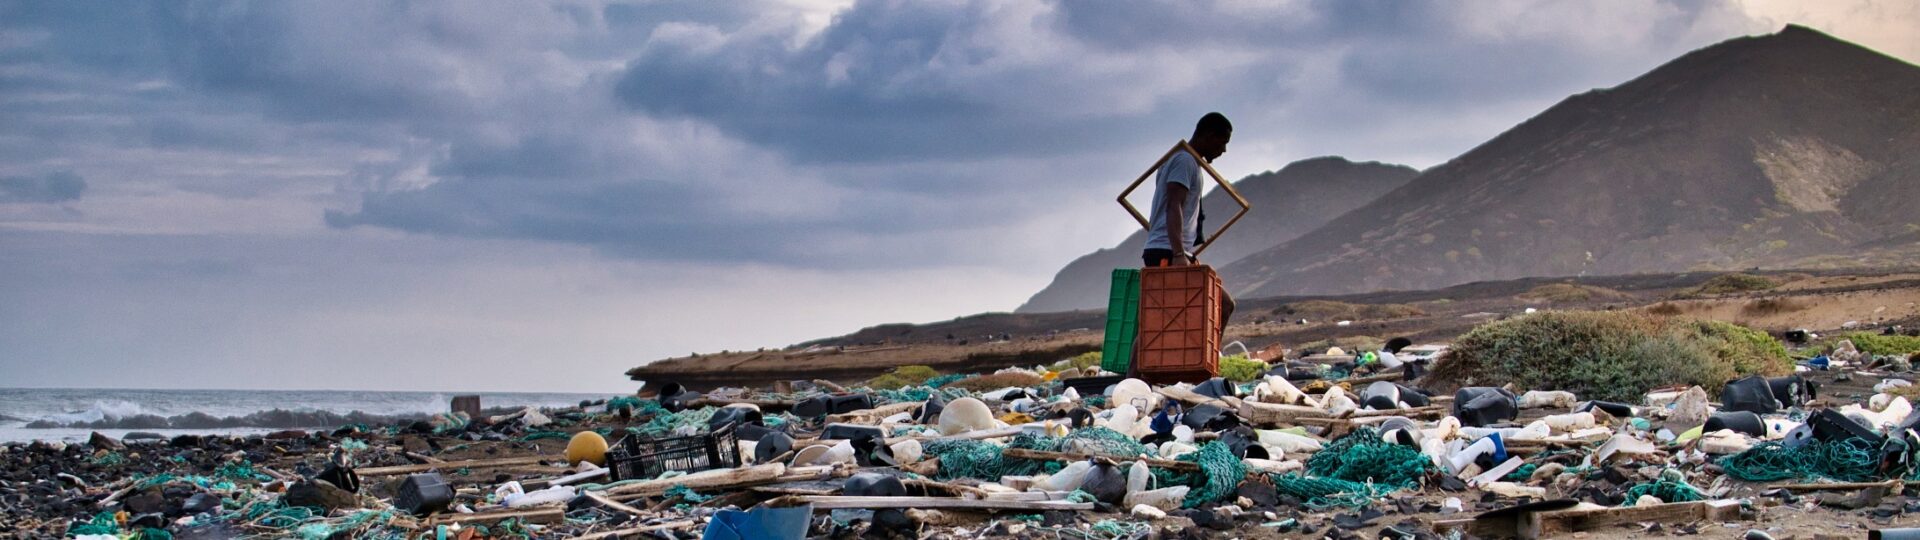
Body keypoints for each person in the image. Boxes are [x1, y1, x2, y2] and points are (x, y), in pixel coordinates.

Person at [1141, 112, 1236, 338]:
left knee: (1165, 323)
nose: (1223, 150)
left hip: (1175, 251)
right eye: (1222, 142)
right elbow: (1174, 205)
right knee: (1159, 325)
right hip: (1168, 252)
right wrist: (1178, 254)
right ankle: (1199, 367)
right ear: (1208, 136)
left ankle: (1198, 366)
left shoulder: (1187, 161)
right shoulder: (1184, 161)